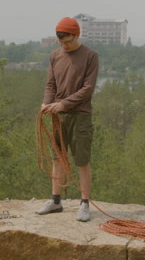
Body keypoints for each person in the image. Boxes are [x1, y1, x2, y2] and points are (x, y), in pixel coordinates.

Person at [35, 17, 99, 222]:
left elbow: (87, 89)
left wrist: (64, 104)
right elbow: (50, 84)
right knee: (57, 158)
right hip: (58, 116)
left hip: (80, 116)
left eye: (68, 41)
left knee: (82, 161)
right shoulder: (55, 56)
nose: (64, 45)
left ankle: (84, 204)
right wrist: (46, 103)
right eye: (61, 42)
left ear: (76, 35)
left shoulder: (90, 56)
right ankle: (55, 201)